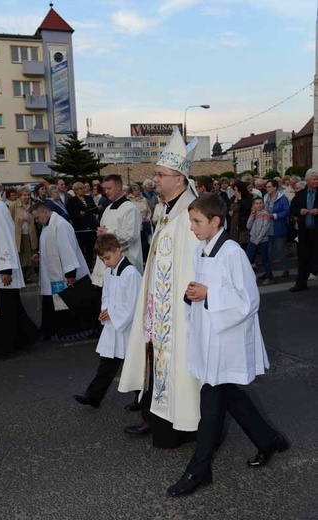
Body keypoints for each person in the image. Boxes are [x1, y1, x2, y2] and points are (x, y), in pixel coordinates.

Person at [167, 193, 289, 497]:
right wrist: (192, 295)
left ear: (216, 222)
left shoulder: (232, 252)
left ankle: (199, 470)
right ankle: (268, 439)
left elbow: (249, 300)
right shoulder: (201, 251)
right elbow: (203, 288)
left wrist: (209, 295)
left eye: (197, 222)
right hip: (208, 336)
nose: (192, 228)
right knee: (230, 394)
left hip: (227, 339)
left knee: (211, 403)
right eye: (191, 222)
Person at [118, 128, 201, 449]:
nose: (154, 179)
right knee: (154, 362)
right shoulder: (168, 208)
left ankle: (181, 426)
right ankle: (152, 418)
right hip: (159, 306)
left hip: (177, 311)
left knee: (174, 366)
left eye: (160, 174)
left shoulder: (190, 213)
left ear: (179, 178)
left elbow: (193, 265)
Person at [0, 172, 40, 360]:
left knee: (1, 309)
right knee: (2, 308)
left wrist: (5, 269)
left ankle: (1, 346)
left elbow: (4, 237)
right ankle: (20, 339)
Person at [73, 234, 142, 408]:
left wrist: (112, 313)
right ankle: (93, 396)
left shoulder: (131, 273)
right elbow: (107, 296)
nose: (106, 262)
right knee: (106, 364)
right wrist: (105, 310)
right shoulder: (109, 271)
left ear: (118, 250)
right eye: (103, 260)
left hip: (128, 327)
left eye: (108, 258)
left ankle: (142, 400)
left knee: (133, 365)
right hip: (113, 326)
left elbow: (133, 304)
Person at [31, 202, 95, 341]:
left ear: (46, 213)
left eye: (37, 218)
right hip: (51, 276)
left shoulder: (61, 225)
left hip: (64, 275)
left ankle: (72, 331)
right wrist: (40, 254)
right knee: (52, 303)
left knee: (69, 302)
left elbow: (67, 249)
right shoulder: (47, 226)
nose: (37, 221)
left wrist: (70, 274)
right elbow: (50, 244)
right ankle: (52, 330)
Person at [91, 174, 143, 287]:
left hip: (126, 259)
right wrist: (101, 234)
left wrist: (108, 233)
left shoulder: (130, 209)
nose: (106, 192)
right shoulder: (108, 209)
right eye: (105, 189)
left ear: (119, 188)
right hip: (107, 261)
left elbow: (130, 236)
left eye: (109, 188)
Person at [289, 168, 318, 292]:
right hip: (304, 232)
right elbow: (293, 208)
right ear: (307, 180)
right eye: (314, 179)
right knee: (303, 258)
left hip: (316, 232)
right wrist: (299, 211)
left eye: (317, 179)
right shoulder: (301, 194)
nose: (316, 181)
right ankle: (301, 283)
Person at [9, 185, 38, 284]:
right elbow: (10, 219)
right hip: (19, 235)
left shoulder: (32, 205)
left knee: (30, 255)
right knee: (21, 255)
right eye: (24, 195)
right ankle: (21, 276)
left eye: (28, 195)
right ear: (19, 196)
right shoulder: (14, 205)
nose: (26, 197)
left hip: (30, 234)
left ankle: (28, 275)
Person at [66, 182, 98, 270]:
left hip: (90, 227)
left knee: (90, 249)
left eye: (83, 188)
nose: (83, 190)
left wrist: (97, 209)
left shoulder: (89, 198)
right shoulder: (72, 200)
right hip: (80, 228)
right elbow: (71, 213)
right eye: (80, 189)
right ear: (76, 191)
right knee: (80, 249)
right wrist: (78, 214)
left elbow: (94, 209)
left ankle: (89, 266)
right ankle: (82, 267)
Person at [263, 179, 290, 278]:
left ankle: (286, 268)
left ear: (275, 187)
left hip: (279, 227)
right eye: (266, 187)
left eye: (269, 187)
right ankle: (268, 271)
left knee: (280, 250)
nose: (267, 189)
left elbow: (286, 211)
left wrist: (274, 216)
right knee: (268, 251)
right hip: (267, 228)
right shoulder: (265, 197)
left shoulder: (282, 198)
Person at [246, 197, 273, 284]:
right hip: (253, 240)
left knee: (265, 259)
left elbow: (265, 228)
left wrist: (259, 239)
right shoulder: (254, 213)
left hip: (262, 240)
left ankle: (270, 277)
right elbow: (248, 226)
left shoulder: (265, 214)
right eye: (256, 203)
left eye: (260, 203)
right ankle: (252, 275)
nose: (259, 205)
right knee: (249, 258)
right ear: (253, 205)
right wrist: (252, 215)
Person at [128, 183, 152, 263]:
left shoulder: (143, 199)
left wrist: (148, 218)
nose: (138, 191)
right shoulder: (129, 200)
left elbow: (148, 210)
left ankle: (145, 259)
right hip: (135, 225)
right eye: (135, 190)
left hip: (144, 224)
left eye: (138, 189)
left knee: (145, 242)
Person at [228, 180, 253, 249]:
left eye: (237, 189)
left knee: (243, 244)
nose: (236, 191)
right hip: (235, 224)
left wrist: (240, 199)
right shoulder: (232, 198)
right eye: (234, 190)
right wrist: (229, 212)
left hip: (243, 225)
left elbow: (247, 208)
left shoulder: (249, 197)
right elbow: (229, 208)